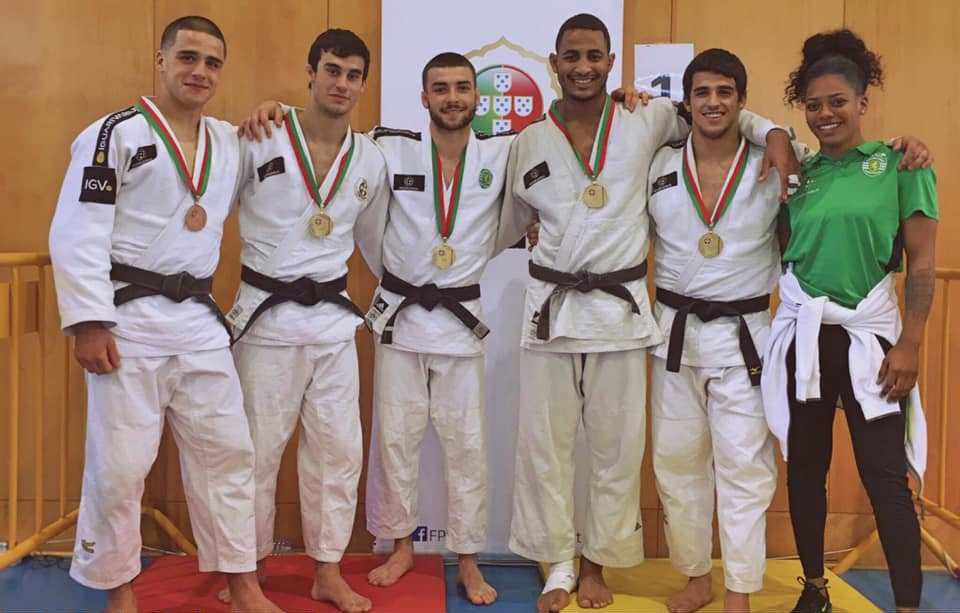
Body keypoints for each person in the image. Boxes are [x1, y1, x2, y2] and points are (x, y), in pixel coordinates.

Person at [240, 51, 646, 608]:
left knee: (467, 446)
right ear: (424, 97)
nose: (452, 98)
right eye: (441, 88)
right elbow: (353, 191)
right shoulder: (389, 148)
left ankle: (469, 557)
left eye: (461, 88)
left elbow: (525, 205)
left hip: (461, 319)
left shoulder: (505, 152)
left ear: (476, 98)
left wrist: (625, 98)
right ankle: (401, 545)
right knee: (394, 440)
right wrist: (277, 108)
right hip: (400, 315)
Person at [496, 13, 799, 613]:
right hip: (555, 312)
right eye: (572, 56)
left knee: (618, 451)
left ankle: (597, 564)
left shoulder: (647, 119)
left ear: (612, 64)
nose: (583, 67)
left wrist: (775, 133)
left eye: (595, 56)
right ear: (553, 64)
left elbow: (722, 114)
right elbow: (510, 220)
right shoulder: (528, 141)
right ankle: (558, 563)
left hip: (624, 315)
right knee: (547, 448)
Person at [48, 16, 281, 613]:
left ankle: (242, 583)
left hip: (199, 322)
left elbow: (290, 150)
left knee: (229, 455)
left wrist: (277, 110)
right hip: (128, 322)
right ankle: (120, 591)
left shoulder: (229, 141)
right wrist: (88, 320)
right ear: (161, 59)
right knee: (121, 467)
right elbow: (78, 231)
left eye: (212, 62)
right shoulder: (113, 134)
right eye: (188, 57)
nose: (200, 71)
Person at [762, 28, 937, 613]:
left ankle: (907, 605)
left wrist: (910, 344)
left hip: (873, 341)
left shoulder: (901, 164)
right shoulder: (799, 173)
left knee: (885, 477)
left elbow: (922, 263)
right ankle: (814, 589)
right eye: (813, 105)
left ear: (863, 101)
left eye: (838, 101)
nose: (825, 114)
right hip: (807, 340)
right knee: (806, 471)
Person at [221, 29, 389, 612]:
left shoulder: (370, 158)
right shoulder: (260, 136)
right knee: (254, 453)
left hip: (333, 326)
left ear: (363, 85)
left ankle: (327, 571)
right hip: (266, 322)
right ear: (310, 72)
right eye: (332, 70)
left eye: (353, 75)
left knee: (338, 453)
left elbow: (377, 242)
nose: (341, 83)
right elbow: (212, 208)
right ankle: (248, 572)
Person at [646, 48, 780, 613]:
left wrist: (771, 131)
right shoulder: (659, 163)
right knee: (677, 463)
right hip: (673, 336)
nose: (714, 102)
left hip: (745, 337)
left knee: (744, 467)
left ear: (742, 101)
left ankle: (740, 590)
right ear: (687, 101)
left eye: (726, 92)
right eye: (702, 92)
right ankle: (696, 576)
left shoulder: (773, 162)